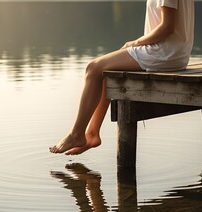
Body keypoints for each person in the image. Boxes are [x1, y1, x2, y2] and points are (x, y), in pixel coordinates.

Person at [50, 0, 194, 155]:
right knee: (104, 72)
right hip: (173, 54)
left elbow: (167, 27)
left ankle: (77, 134)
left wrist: (136, 42)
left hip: (164, 53)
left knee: (93, 68)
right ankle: (92, 134)